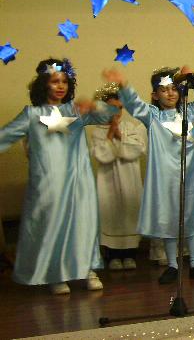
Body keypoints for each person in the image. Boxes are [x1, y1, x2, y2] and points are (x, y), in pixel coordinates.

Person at [0, 58, 117, 294]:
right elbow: (5, 136)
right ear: (44, 84)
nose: (60, 86)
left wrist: (94, 106)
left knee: (82, 223)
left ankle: (86, 269)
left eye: (64, 81)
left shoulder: (75, 111)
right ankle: (55, 274)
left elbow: (110, 114)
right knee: (51, 225)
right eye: (55, 81)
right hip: (48, 181)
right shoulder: (32, 114)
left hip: (78, 181)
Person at [102, 66, 194, 284]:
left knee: (192, 213)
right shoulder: (153, 116)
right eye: (164, 90)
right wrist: (123, 83)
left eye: (174, 88)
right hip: (165, 176)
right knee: (169, 216)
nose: (170, 93)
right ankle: (173, 265)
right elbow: (135, 104)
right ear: (155, 95)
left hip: (192, 174)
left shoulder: (191, 112)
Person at [91, 83, 147, 270]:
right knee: (111, 213)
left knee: (130, 214)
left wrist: (120, 136)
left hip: (129, 177)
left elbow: (138, 149)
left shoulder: (132, 126)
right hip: (109, 181)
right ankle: (113, 255)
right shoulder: (97, 130)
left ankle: (130, 254)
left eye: (119, 108)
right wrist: (110, 135)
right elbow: (101, 155)